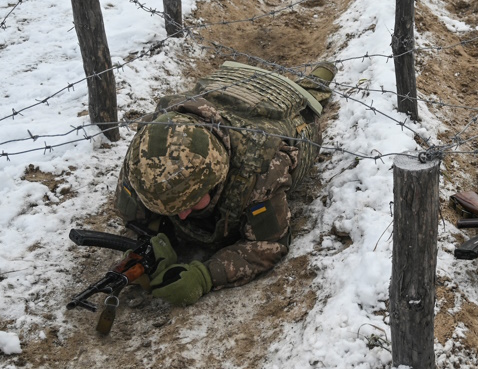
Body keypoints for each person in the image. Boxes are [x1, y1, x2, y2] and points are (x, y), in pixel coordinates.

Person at [114, 60, 336, 306]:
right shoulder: (145, 157)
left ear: (218, 179)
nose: (183, 216)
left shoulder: (262, 167)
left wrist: (206, 276)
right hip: (225, 86)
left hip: (281, 114)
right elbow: (134, 214)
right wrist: (153, 237)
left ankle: (318, 78)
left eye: (191, 203)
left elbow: (269, 244)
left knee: (309, 97)